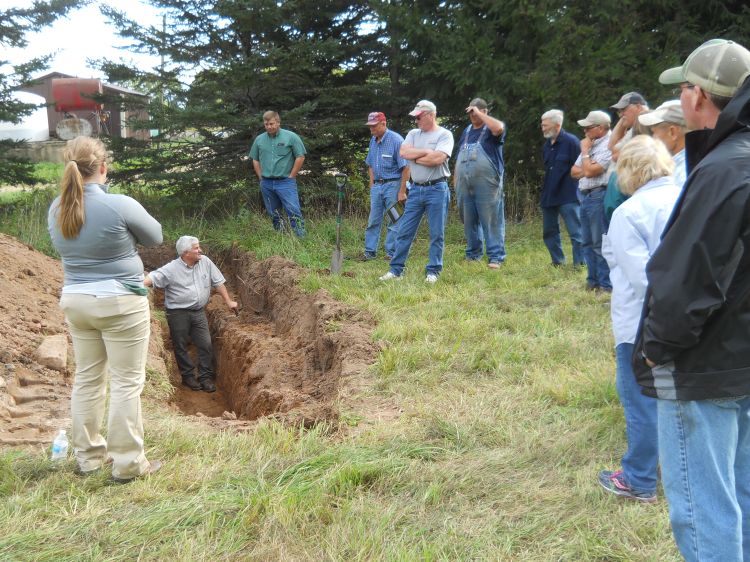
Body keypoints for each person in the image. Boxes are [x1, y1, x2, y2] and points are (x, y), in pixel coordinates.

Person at [634, 39, 750, 561]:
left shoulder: (725, 168)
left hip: (705, 364)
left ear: (698, 96)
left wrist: (657, 346)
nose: (679, 100)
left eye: (681, 88)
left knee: (705, 508)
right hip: (740, 357)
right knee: (740, 493)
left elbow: (689, 278)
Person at [48, 136, 163, 483]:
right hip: (119, 302)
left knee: (87, 378)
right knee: (126, 382)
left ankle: (88, 459)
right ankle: (128, 464)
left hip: (76, 300)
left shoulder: (57, 207)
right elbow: (155, 236)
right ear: (102, 167)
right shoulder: (119, 204)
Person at [598, 135, 680, 503]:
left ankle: (639, 478)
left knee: (640, 397)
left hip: (642, 324)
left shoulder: (629, 212)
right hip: (693, 318)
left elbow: (643, 280)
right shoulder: (686, 199)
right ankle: (676, 471)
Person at [144, 236, 238, 393]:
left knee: (205, 344)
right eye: (196, 248)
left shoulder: (205, 262)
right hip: (177, 313)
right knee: (180, 345)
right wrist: (138, 285)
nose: (200, 250)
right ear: (186, 252)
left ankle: (205, 377)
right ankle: (188, 377)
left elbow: (218, 282)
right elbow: (152, 278)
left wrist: (228, 301)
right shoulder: (171, 269)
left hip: (198, 311)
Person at [379, 100, 454, 284]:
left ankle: (433, 271)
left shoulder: (445, 134)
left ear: (430, 115)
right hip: (416, 189)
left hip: (437, 188)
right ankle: (396, 270)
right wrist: (427, 152)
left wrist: (419, 156)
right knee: (404, 231)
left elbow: (437, 159)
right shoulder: (413, 133)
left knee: (437, 232)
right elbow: (404, 153)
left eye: (419, 117)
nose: (416, 121)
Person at [454, 97, 507, 269]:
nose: (472, 115)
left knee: (491, 219)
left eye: (475, 111)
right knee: (469, 220)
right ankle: (473, 254)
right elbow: (458, 158)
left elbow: (499, 128)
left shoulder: (490, 130)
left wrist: (480, 113)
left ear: (485, 112)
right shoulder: (467, 131)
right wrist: (455, 183)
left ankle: (496, 256)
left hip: (487, 184)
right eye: (470, 111)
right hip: (464, 184)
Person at [571, 110, 613, 291]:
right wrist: (588, 165)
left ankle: (605, 284)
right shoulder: (592, 144)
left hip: (599, 195)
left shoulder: (610, 144)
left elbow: (589, 171)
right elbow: (574, 171)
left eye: (588, 128)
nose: (585, 132)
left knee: (599, 242)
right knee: (587, 241)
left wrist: (586, 154)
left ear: (601, 128)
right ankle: (592, 280)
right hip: (585, 195)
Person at [249, 110, 307, 237]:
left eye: (271, 124)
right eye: (266, 124)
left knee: (293, 211)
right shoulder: (259, 139)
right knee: (274, 213)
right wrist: (261, 177)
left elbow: (300, 156)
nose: (269, 127)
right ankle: (281, 237)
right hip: (267, 183)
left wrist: (292, 175)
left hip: (286, 182)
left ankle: (301, 238)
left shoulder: (291, 137)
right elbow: (255, 159)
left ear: (278, 122)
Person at [362, 111, 409, 261]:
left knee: (394, 219)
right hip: (377, 186)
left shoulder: (396, 140)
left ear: (384, 123)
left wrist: (402, 191)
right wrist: (372, 185)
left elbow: (406, 167)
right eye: (370, 126)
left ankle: (391, 253)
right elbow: (370, 165)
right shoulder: (373, 140)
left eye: (374, 126)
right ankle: (370, 252)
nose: (371, 129)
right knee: (373, 220)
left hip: (393, 185)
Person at [540, 109, 583, 267]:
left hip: (568, 194)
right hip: (549, 194)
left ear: (557, 125)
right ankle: (557, 262)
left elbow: (581, 168)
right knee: (549, 231)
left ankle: (580, 263)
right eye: (542, 125)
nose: (542, 128)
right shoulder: (546, 146)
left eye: (545, 125)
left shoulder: (572, 142)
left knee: (576, 231)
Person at [638, 100, 688, 187]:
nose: (653, 138)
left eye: (654, 132)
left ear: (673, 132)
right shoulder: (689, 164)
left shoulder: (683, 173)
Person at [608, 92, 649, 160]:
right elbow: (611, 147)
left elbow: (615, 155)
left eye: (623, 109)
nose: (620, 115)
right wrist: (624, 117)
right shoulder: (635, 126)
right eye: (619, 111)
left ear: (638, 107)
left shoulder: (646, 124)